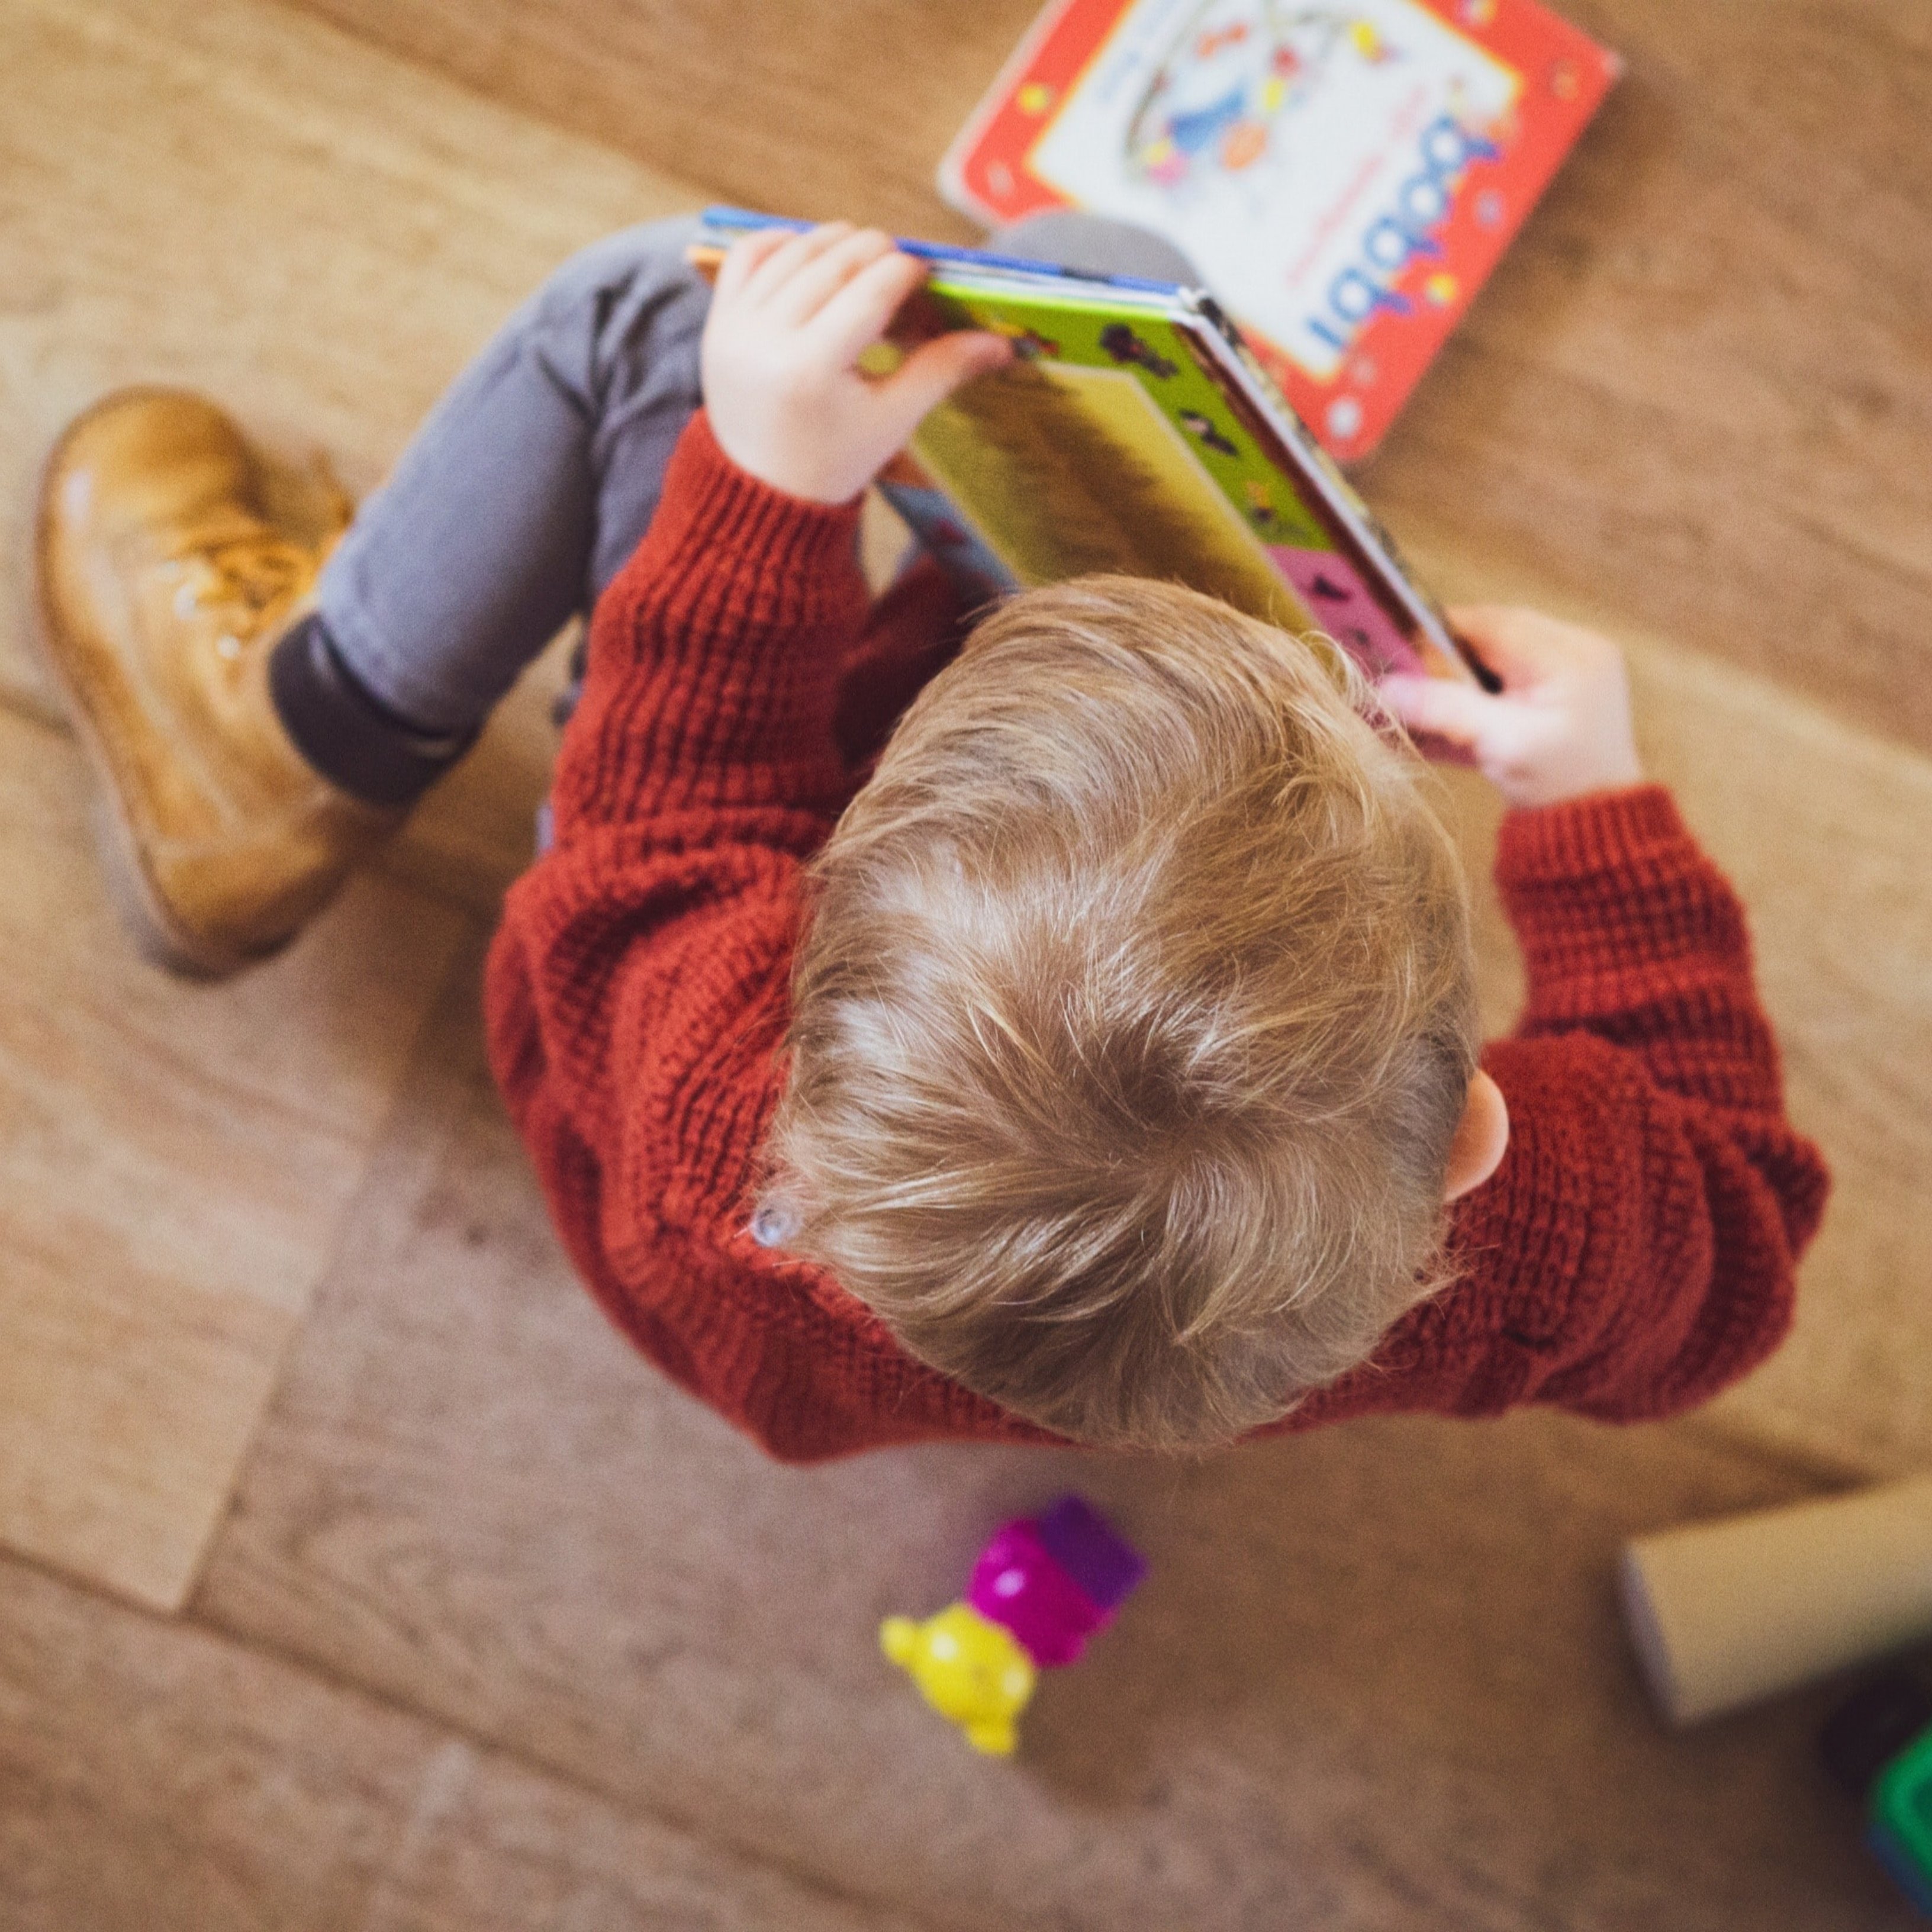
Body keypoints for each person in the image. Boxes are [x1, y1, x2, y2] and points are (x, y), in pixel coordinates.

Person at [35, 216, 1828, 1459]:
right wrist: (1594, 814)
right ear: (1470, 1142)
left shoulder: (721, 1087)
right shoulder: (1535, 1231)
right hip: (944, 1330)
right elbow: (1735, 1246)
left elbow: (679, 814)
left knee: (652, 311)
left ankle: (285, 747)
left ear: (831, 932)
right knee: (1104, 281)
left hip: (646, 980)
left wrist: (765, 488)